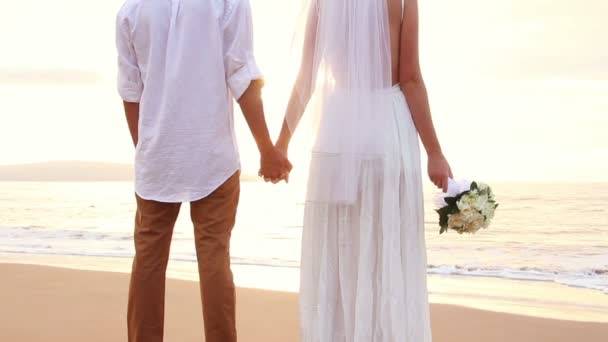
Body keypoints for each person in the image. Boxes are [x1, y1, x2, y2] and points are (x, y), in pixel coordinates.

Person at [274, 0, 451, 340]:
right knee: (387, 250)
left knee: (341, 250)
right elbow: (411, 79)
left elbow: (307, 77)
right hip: (387, 128)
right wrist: (435, 152)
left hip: (337, 132)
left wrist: (281, 144)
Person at [115, 1, 291, 341]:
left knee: (148, 262)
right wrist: (267, 149)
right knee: (214, 258)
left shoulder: (131, 10)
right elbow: (241, 73)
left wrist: (147, 147)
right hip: (212, 155)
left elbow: (130, 91)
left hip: (158, 159)